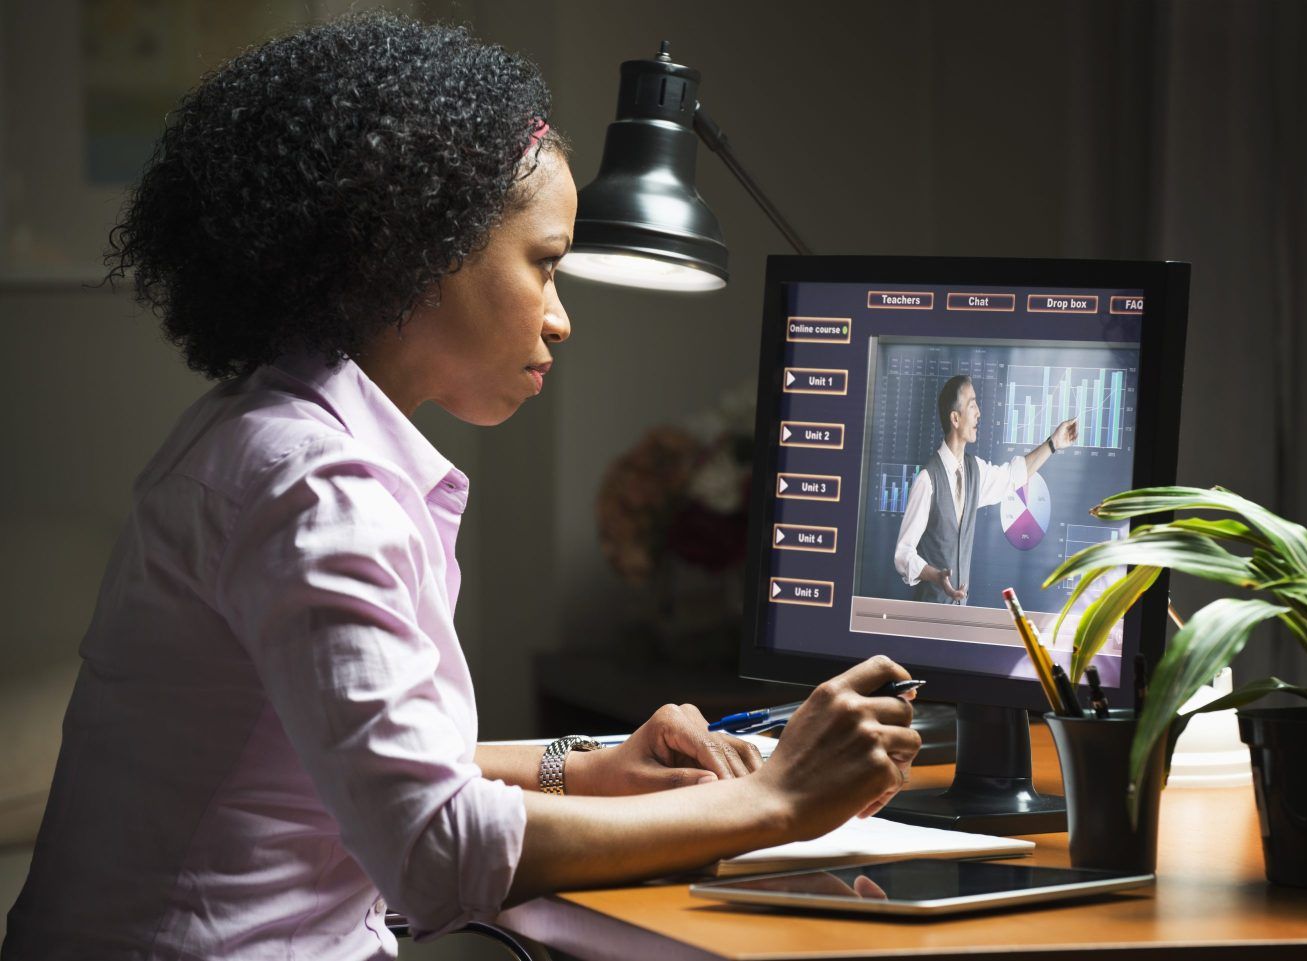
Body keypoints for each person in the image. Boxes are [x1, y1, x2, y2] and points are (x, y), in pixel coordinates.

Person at [0, 15, 919, 960]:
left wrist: (591, 765)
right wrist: (773, 801)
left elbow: (347, 762)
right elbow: (437, 850)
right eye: (546, 263)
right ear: (416, 250)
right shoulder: (317, 488)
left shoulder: (266, 433)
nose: (561, 319)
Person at [894, 374, 1076, 604]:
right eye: (972, 405)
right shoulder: (927, 480)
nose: (979, 412)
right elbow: (903, 555)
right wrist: (936, 576)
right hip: (929, 616)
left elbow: (1013, 475)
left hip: (959, 617)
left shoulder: (975, 471)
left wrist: (1053, 444)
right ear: (955, 418)